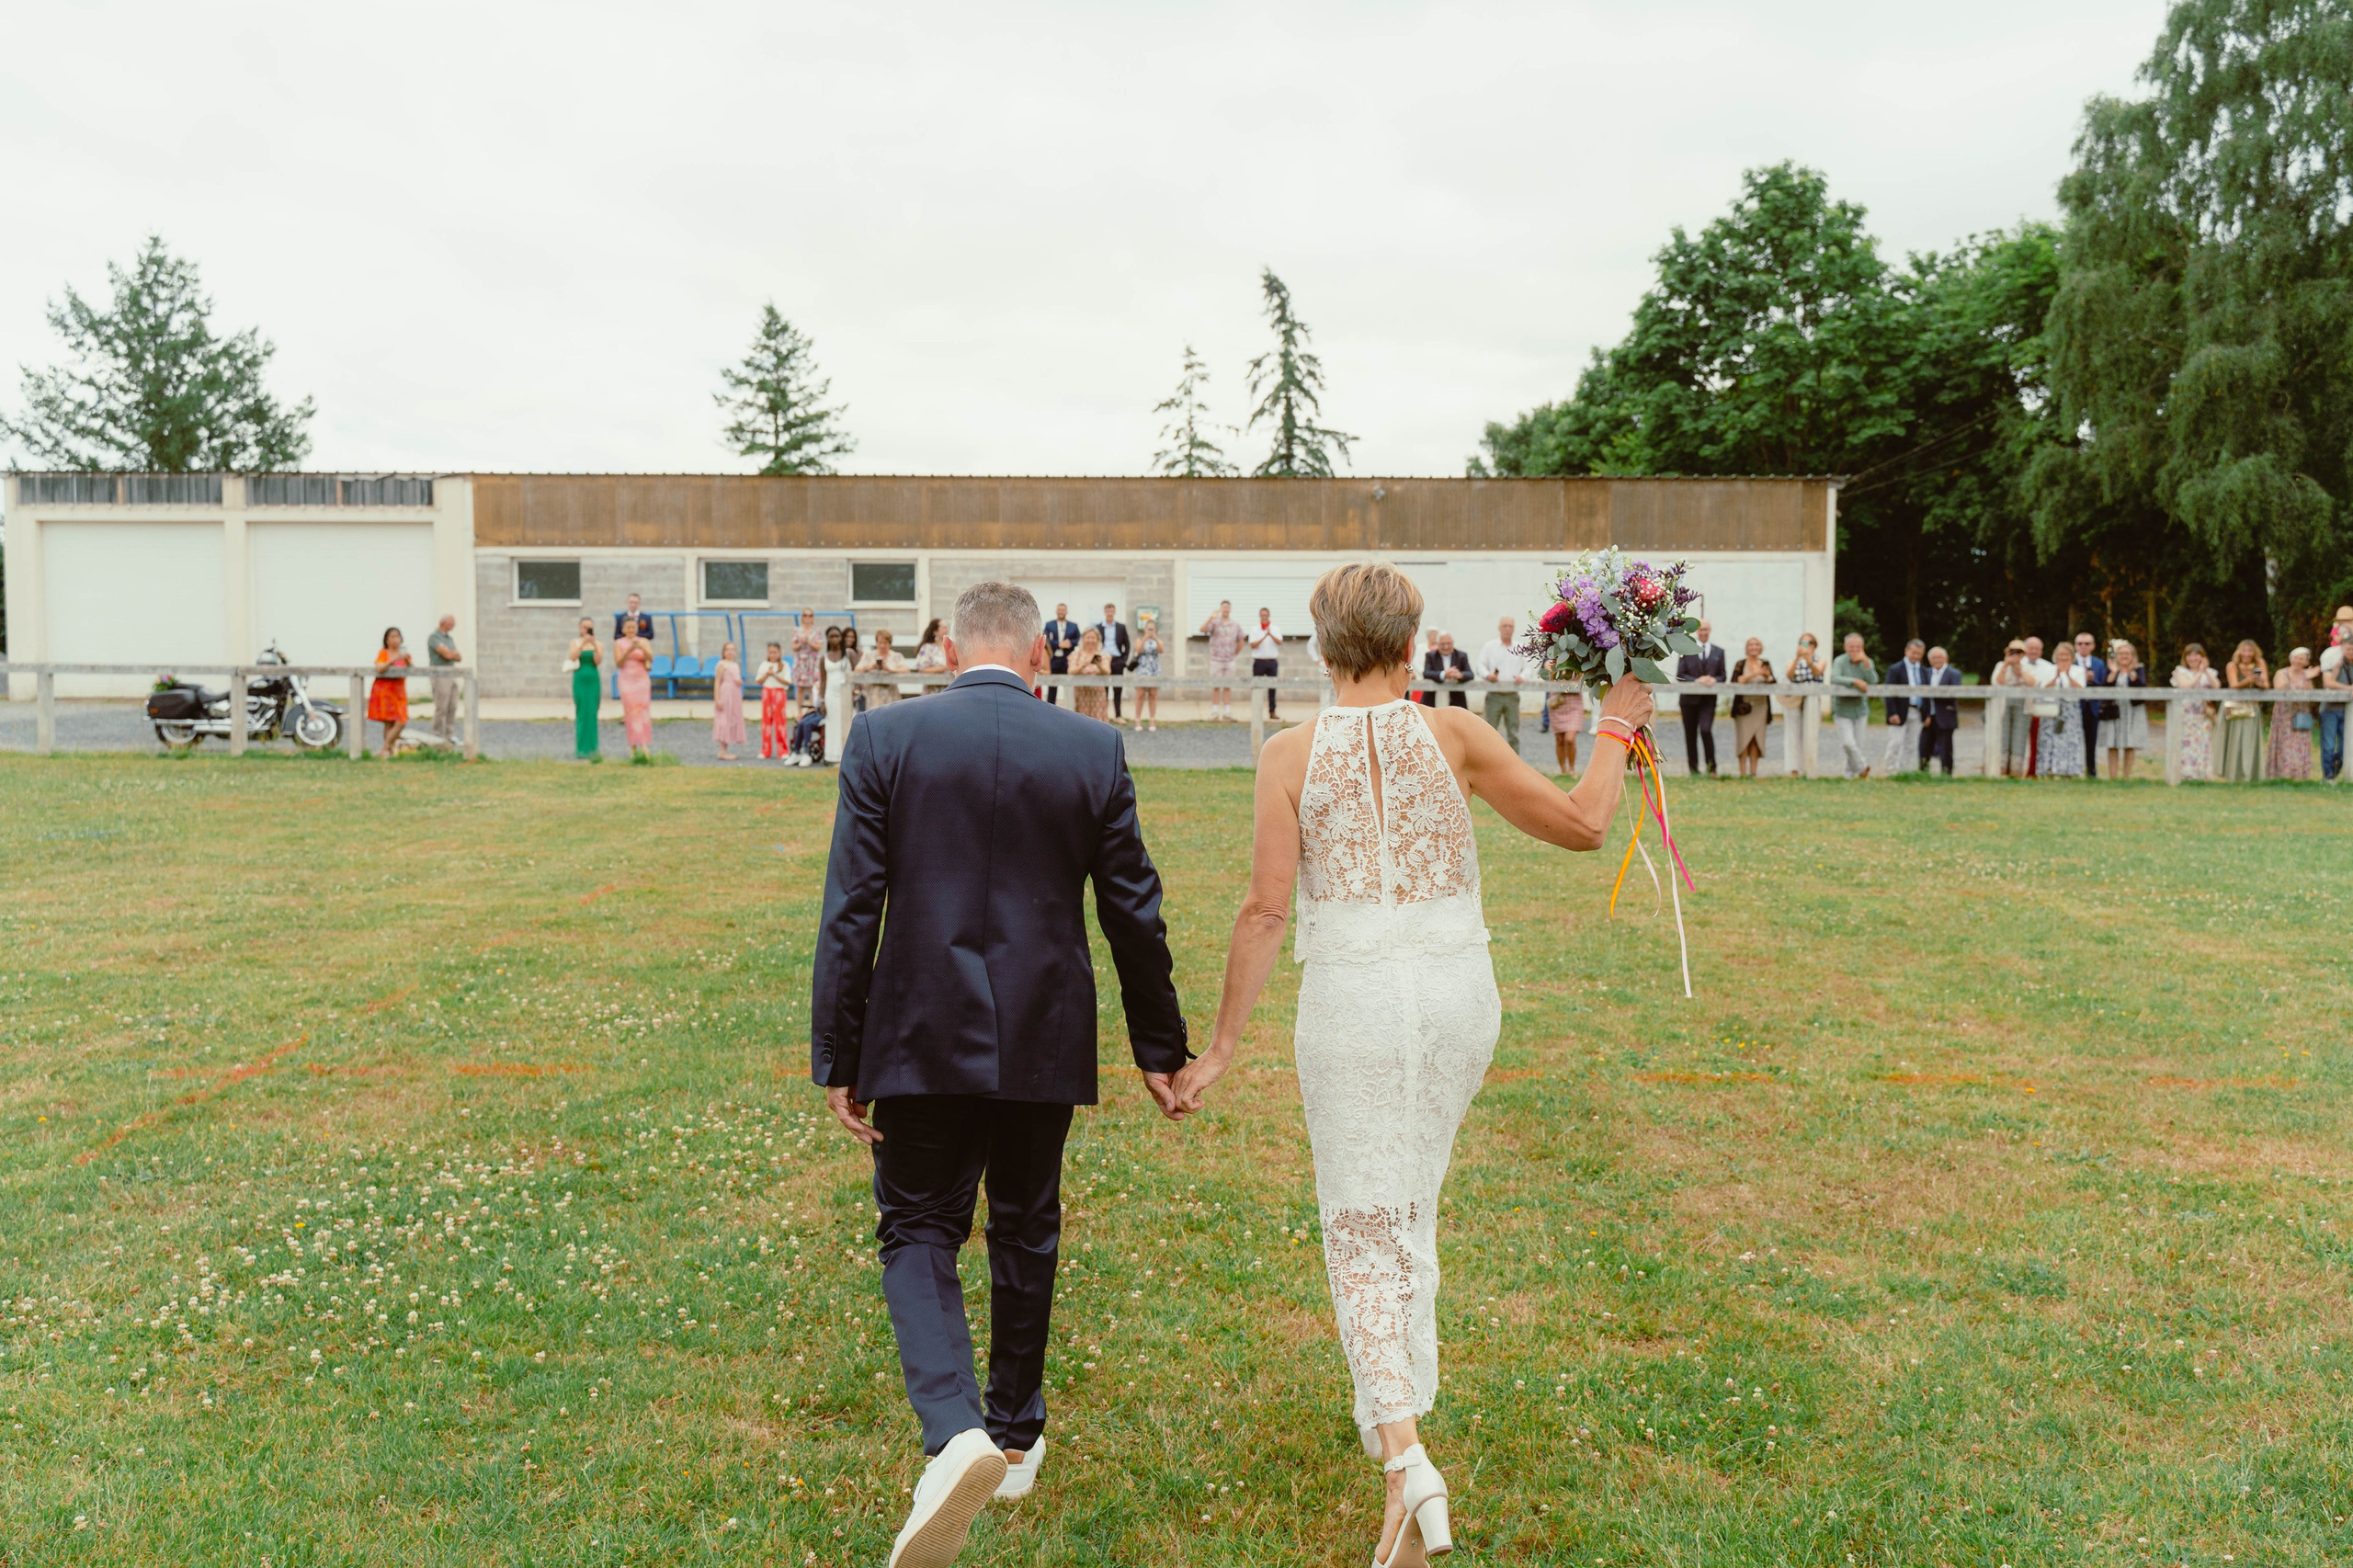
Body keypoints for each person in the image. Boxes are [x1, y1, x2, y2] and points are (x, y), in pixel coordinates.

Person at [1167, 562, 1652, 1568]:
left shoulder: (1287, 753)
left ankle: (1403, 1454)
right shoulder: (1456, 732)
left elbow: (1264, 909)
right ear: (1411, 641)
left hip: (1353, 1005)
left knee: (1359, 1221)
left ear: (1320, 641)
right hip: (1455, 1002)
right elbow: (1583, 822)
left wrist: (1219, 1046)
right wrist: (1614, 728)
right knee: (1404, 1209)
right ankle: (1402, 1453)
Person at [813, 581, 1188, 1567]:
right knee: (1026, 1221)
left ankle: (954, 1427)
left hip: (919, 1026)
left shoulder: (886, 739)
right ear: (1036, 656)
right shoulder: (1090, 747)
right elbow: (1133, 912)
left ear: (947, 650)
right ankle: (1013, 1432)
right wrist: (1161, 1048)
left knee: (918, 1223)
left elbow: (853, 906)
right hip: (1043, 1026)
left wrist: (836, 1053)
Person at [1675, 619, 1725, 775]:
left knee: (1705, 730)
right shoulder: (1686, 650)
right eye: (1701, 630)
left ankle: (1712, 767)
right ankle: (1693, 770)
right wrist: (1697, 680)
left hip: (1708, 700)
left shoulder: (1719, 652)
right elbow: (1680, 675)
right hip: (1689, 700)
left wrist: (1714, 679)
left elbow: (1723, 675)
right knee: (1690, 734)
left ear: (1710, 631)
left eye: (1706, 630)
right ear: (1697, 631)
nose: (1703, 632)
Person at [1475, 616, 1530, 755]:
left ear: (1514, 628)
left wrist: (1521, 677)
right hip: (1494, 694)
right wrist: (1488, 675)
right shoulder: (1490, 646)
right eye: (1505, 626)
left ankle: (1515, 766)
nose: (1507, 629)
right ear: (1499, 628)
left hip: (1512, 695)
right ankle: (1489, 763)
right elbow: (1480, 665)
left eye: (1510, 626)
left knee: (1513, 732)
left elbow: (1528, 668)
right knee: (1490, 731)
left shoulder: (1520, 647)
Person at [2037, 642, 2089, 778]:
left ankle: (2069, 770)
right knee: (2049, 738)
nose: (2063, 657)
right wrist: (2056, 676)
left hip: (2070, 708)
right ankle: (2048, 768)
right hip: (2051, 708)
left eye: (2066, 655)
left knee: (2069, 738)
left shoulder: (2078, 670)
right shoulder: (2049, 669)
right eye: (2061, 655)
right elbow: (2042, 688)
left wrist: (2068, 675)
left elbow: (2082, 690)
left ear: (2071, 656)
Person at [2171, 643, 2221, 781]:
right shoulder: (2180, 671)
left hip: (2204, 713)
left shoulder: (2209, 672)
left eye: (2196, 655)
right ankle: (2187, 774)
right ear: (2185, 658)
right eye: (2189, 655)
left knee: (2204, 742)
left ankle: (2203, 773)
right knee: (2187, 743)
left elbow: (2216, 686)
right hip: (2186, 713)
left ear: (2202, 656)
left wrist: (2204, 671)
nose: (2193, 658)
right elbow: (2185, 686)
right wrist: (2198, 673)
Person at [2221, 640, 2268, 781]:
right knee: (2234, 740)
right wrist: (2248, 680)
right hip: (2234, 707)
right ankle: (2232, 774)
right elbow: (2234, 685)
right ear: (2239, 652)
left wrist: (2260, 683)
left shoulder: (2260, 663)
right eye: (2244, 650)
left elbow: (2266, 685)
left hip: (2251, 707)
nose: (2247, 654)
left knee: (2249, 741)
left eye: (2250, 651)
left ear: (2255, 652)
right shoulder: (2232, 665)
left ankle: (2250, 774)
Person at [1829, 633, 1876, 778]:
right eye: (1851, 647)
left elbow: (1873, 680)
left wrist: (1866, 664)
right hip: (1842, 709)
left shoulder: (1867, 662)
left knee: (1858, 744)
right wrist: (1854, 681)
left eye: (1858, 647)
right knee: (1848, 743)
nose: (1854, 650)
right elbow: (1834, 677)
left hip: (1860, 710)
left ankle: (1849, 775)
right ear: (1845, 647)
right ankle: (1862, 767)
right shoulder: (1840, 661)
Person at [1880, 638, 1928, 776]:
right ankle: (1889, 770)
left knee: (1911, 745)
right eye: (1914, 653)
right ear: (1906, 651)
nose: (1916, 656)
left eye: (1919, 654)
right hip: (1900, 711)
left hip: (1917, 711)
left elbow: (1927, 693)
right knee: (1896, 742)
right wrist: (1892, 713)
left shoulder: (1924, 671)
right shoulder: (1895, 669)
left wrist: (1926, 714)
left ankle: (1903, 771)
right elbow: (1888, 692)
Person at [2101, 640, 2149, 779]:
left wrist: (2131, 672)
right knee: (2113, 743)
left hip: (2132, 710)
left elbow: (2141, 686)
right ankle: (2113, 776)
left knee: (2130, 743)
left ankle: (2126, 776)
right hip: (2114, 710)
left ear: (2133, 656)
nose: (2124, 656)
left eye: (2127, 654)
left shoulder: (2139, 669)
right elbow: (2104, 687)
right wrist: (2113, 673)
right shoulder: (2110, 668)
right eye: (2121, 654)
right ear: (2116, 656)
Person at [2268, 646, 2317, 781]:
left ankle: (2300, 775)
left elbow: (2311, 695)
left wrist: (2307, 678)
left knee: (2300, 742)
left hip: (2301, 713)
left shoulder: (2307, 676)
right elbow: (2280, 688)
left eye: (2302, 659)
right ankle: (2282, 775)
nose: (2298, 661)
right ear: (2291, 659)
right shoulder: (2281, 673)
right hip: (2284, 713)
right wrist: (2295, 683)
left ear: (2306, 662)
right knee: (2284, 742)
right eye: (2296, 658)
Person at [1730, 636, 1774, 778]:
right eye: (1751, 645)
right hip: (1744, 705)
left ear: (1761, 648)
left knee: (1756, 738)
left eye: (1757, 645)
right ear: (1747, 648)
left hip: (1761, 705)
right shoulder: (1740, 664)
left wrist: (1767, 676)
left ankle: (1753, 772)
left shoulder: (1766, 663)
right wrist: (1755, 673)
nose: (1754, 647)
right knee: (1744, 738)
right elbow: (1736, 680)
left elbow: (1773, 681)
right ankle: (1742, 772)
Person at [1781, 633, 1824, 777]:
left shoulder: (1820, 660)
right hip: (1795, 697)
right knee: (1792, 732)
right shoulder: (1792, 661)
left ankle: (1810, 767)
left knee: (1810, 732)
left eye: (1808, 643)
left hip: (1811, 697)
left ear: (1814, 645)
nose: (1805, 645)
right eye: (1802, 642)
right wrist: (1797, 658)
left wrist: (1809, 660)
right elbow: (1790, 676)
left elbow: (1817, 674)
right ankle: (1793, 768)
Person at [1991, 640, 2035, 777]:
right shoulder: (2000, 665)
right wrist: (2006, 666)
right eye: (2012, 652)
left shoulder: (2027, 667)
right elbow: (1998, 682)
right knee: (2003, 735)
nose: (2015, 655)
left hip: (2022, 704)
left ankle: (2016, 771)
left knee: (2019, 736)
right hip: (2004, 703)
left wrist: (2019, 670)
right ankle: (2002, 770)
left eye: (2018, 652)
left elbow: (2033, 683)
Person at [1916, 645, 1962, 775]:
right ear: (1930, 660)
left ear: (1946, 659)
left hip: (1945, 716)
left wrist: (1935, 693)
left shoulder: (1954, 674)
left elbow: (1954, 695)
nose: (1937, 660)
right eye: (1934, 658)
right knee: (1924, 745)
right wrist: (1925, 715)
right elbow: (1923, 695)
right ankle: (1923, 772)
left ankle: (1946, 773)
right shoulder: (1926, 673)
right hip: (1929, 716)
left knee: (1946, 747)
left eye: (1940, 657)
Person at [369, 627, 412, 757]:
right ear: (386, 640)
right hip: (385, 691)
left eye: (397, 636)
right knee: (389, 721)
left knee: (401, 720)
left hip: (399, 691)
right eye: (392, 637)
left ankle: (385, 748)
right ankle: (389, 750)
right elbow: (379, 668)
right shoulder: (384, 653)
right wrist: (392, 660)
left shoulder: (405, 654)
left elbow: (411, 670)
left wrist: (407, 661)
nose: (395, 640)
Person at [615, 620, 655, 760]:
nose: (631, 629)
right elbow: (619, 663)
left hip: (641, 678)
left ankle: (644, 743)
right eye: (628, 627)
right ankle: (633, 745)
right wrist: (629, 650)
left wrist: (641, 649)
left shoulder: (643, 641)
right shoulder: (619, 643)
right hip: (626, 678)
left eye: (633, 627)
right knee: (631, 711)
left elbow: (651, 658)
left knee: (642, 710)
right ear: (623, 629)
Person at [2073, 632, 2109, 776]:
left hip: (2092, 708)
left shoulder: (2098, 663)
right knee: (2074, 739)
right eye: (2080, 643)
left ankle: (2091, 770)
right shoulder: (2070, 661)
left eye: (2087, 644)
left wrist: (2093, 680)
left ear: (2093, 646)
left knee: (2091, 741)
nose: (2083, 646)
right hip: (2075, 707)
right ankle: (2074, 769)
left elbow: (2104, 685)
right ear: (2075, 646)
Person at [566, 619, 602, 762]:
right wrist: (582, 644)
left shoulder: (598, 644)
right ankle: (581, 748)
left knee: (592, 711)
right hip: (580, 678)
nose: (587, 630)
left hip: (593, 678)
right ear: (580, 628)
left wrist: (593, 644)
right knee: (581, 711)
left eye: (590, 627)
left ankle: (593, 748)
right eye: (584, 627)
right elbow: (572, 657)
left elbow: (598, 661)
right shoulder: (574, 642)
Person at [1200, 599, 1243, 720]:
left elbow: (1241, 639)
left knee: (1227, 686)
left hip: (1229, 660)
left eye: (1228, 607)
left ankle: (1227, 712)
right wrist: (1210, 617)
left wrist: (1235, 653)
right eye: (1224, 607)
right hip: (1216, 660)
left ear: (1230, 609)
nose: (1226, 609)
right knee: (1216, 686)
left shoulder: (1235, 624)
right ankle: (1214, 712)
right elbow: (1202, 629)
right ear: (1220, 609)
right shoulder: (1215, 623)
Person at [426, 614, 462, 744]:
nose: (454, 625)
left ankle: (449, 734)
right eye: (452, 622)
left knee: (452, 706)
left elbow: (458, 657)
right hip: (440, 675)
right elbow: (446, 654)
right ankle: (438, 735)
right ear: (444, 623)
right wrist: (451, 654)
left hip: (451, 674)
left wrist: (452, 654)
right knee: (442, 706)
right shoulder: (434, 637)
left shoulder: (449, 639)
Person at [822, 626, 855, 765]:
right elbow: (823, 680)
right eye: (832, 636)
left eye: (837, 636)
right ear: (828, 639)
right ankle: (832, 756)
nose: (835, 639)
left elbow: (856, 672)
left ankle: (848, 756)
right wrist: (822, 700)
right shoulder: (823, 658)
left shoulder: (849, 654)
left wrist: (856, 692)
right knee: (832, 723)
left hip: (846, 692)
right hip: (831, 694)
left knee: (847, 722)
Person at [1092, 603, 1131, 720]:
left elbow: (1127, 643)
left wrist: (1124, 660)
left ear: (1114, 612)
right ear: (1105, 612)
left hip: (1117, 660)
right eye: (1108, 611)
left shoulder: (1121, 627)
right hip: (1103, 660)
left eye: (1111, 611)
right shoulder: (1098, 627)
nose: (1109, 613)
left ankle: (1118, 715)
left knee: (1117, 689)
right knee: (1103, 690)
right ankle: (1104, 716)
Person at [1067, 626, 1113, 722]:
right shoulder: (1076, 654)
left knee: (1098, 721)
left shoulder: (1102, 655)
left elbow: (1107, 671)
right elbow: (1071, 671)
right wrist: (1083, 664)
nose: (1090, 640)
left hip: (1098, 694)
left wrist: (1098, 665)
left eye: (1093, 638)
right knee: (1082, 720)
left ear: (1097, 640)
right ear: (1083, 639)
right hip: (1081, 694)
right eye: (1088, 637)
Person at [757, 642, 793, 760]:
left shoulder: (784, 665)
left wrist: (775, 675)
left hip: (779, 693)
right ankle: (765, 750)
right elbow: (759, 680)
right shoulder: (764, 665)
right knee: (766, 722)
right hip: (767, 692)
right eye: (770, 652)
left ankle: (783, 750)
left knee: (780, 722)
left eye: (775, 652)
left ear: (779, 653)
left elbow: (787, 681)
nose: (772, 655)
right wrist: (767, 675)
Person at [858, 629, 909, 710]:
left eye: (885, 643)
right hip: (873, 696)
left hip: (891, 695)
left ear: (889, 643)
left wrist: (890, 670)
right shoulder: (869, 655)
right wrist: (870, 667)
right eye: (880, 643)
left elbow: (906, 670)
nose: (882, 645)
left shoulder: (896, 656)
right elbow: (857, 669)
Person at [1247, 608, 1284, 720]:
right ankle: (1256, 712)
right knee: (1257, 688)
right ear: (1260, 616)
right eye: (1262, 615)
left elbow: (1279, 642)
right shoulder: (1254, 630)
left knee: (1272, 688)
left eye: (1266, 615)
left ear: (1269, 616)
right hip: (1259, 662)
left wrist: (1270, 634)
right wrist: (1264, 636)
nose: (1264, 617)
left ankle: (1272, 711)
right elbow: (1252, 645)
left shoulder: (1275, 629)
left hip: (1272, 662)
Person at [711, 641, 745, 761]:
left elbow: (737, 678)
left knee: (731, 718)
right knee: (724, 719)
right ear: (724, 652)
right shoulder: (721, 664)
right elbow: (717, 682)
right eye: (727, 649)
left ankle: (726, 748)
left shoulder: (735, 665)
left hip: (734, 694)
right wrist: (717, 699)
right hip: (725, 693)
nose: (730, 652)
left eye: (732, 649)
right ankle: (722, 750)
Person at [2322, 644, 2350, 782]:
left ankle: (2336, 769)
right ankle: (2328, 776)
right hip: (2330, 710)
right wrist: (2349, 688)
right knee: (2328, 744)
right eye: (2349, 649)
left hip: (2349, 711)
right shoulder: (2332, 661)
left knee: (2347, 745)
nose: (2351, 652)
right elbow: (2328, 683)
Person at [1042, 603, 1080, 706]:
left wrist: (1070, 643)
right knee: (1052, 686)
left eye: (1063, 610)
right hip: (1054, 659)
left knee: (1069, 685)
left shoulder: (1074, 626)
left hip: (1067, 660)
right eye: (1059, 610)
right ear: (1056, 611)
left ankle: (1069, 708)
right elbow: (1046, 639)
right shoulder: (1049, 624)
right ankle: (1050, 708)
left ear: (1066, 611)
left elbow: (1078, 639)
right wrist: (1059, 644)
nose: (1061, 612)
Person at [1130, 614, 1163, 731]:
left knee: (1153, 695)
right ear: (1144, 629)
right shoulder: (1139, 639)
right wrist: (1145, 637)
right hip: (1142, 669)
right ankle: (1137, 719)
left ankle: (1152, 719)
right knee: (1140, 694)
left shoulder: (1157, 641)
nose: (1150, 630)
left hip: (1154, 669)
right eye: (1148, 628)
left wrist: (1155, 637)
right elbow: (1138, 650)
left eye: (1152, 628)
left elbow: (1161, 650)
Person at [1422, 631, 1472, 708]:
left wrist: (1460, 675)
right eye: (1443, 644)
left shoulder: (1461, 656)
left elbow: (1470, 674)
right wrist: (1444, 674)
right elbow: (1426, 673)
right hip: (1433, 698)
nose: (1446, 647)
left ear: (1453, 643)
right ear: (1437, 644)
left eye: (1448, 643)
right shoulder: (1430, 656)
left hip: (1456, 699)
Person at [1548, 681, 1586, 776]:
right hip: (1557, 700)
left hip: (1574, 701)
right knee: (1559, 739)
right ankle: (1563, 770)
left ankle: (1572, 769)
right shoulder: (1555, 665)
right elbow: (1548, 670)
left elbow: (1581, 678)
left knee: (1570, 739)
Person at [791, 609, 824, 716]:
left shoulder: (817, 630)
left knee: (812, 687)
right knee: (800, 688)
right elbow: (794, 647)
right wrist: (801, 643)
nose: (807, 618)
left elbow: (819, 647)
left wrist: (808, 642)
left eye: (810, 615)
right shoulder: (797, 630)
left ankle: (812, 711)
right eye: (805, 615)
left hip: (812, 662)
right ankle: (799, 713)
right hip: (801, 662)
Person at [915, 619, 949, 695]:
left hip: (950, 689)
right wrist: (944, 668)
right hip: (933, 690)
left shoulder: (952, 646)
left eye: (947, 627)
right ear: (935, 631)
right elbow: (922, 669)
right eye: (943, 627)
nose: (947, 629)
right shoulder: (927, 648)